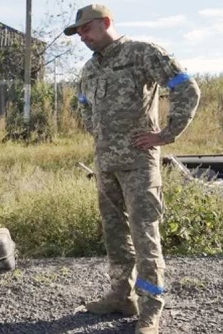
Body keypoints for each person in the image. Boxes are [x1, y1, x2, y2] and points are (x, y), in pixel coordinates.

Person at [63, 4, 201, 334]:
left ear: (106, 22)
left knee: (145, 237)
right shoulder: (89, 68)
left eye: (86, 29)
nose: (82, 36)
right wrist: (97, 133)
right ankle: (119, 295)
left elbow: (187, 87)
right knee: (115, 235)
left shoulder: (141, 53)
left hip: (139, 165)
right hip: (106, 164)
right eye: (78, 32)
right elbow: (83, 104)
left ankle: (150, 310)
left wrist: (165, 135)